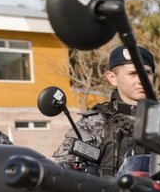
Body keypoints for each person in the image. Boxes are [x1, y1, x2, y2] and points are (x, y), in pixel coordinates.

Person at [53, 45, 154, 176]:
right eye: (133, 74)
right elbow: (65, 172)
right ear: (112, 78)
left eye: (147, 73)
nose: (142, 80)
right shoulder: (95, 123)